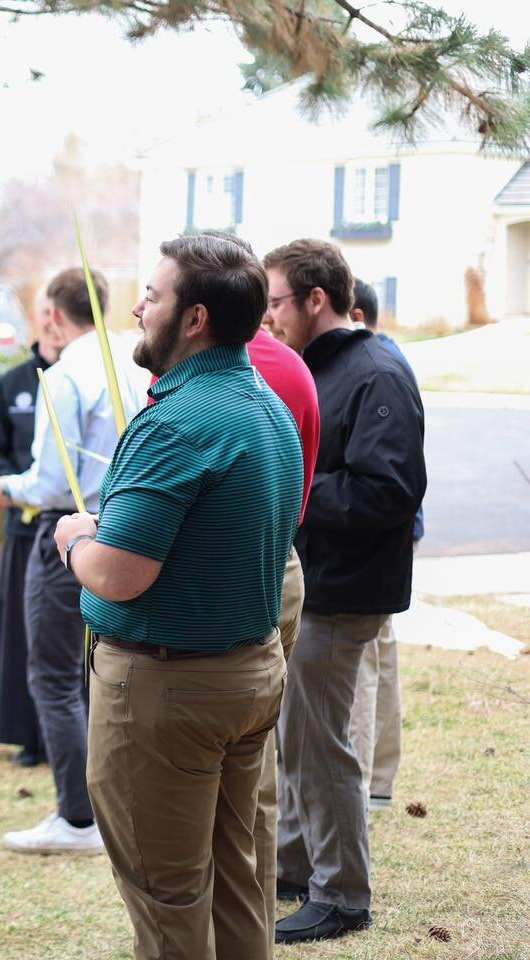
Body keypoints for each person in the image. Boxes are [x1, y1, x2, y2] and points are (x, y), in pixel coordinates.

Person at [55, 234, 303, 960]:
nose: (135, 307)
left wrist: (75, 538)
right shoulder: (266, 406)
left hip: (168, 692)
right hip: (248, 677)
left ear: (193, 319)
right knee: (239, 879)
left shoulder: (176, 423)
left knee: (167, 893)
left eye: (153, 296)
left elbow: (122, 574)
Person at [264, 240, 426, 945]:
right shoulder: (320, 366)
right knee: (298, 737)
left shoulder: (376, 373)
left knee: (322, 745)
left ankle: (342, 897)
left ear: (316, 300)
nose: (265, 317)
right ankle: (299, 865)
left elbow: (388, 491)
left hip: (345, 590)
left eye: (273, 302)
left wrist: (287, 490)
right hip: (315, 584)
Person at [0, 267, 139, 856]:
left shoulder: (66, 376)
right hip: (130, 530)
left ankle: (78, 819)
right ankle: (114, 806)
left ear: (52, 316)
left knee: (52, 675)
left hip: (71, 537)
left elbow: (50, 482)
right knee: (113, 674)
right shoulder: (131, 363)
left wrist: (6, 489)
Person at [0, 283, 65, 767]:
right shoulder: (13, 384)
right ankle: (28, 737)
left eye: (58, 311)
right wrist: (6, 486)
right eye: (43, 311)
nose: (51, 320)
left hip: (72, 532)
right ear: (37, 318)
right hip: (24, 530)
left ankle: (69, 734)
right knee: (23, 633)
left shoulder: (83, 378)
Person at [348, 277, 422, 813]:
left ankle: (365, 783)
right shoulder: (390, 358)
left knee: (365, 664)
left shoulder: (376, 368)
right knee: (382, 653)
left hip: (379, 534)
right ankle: (379, 779)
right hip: (399, 531)